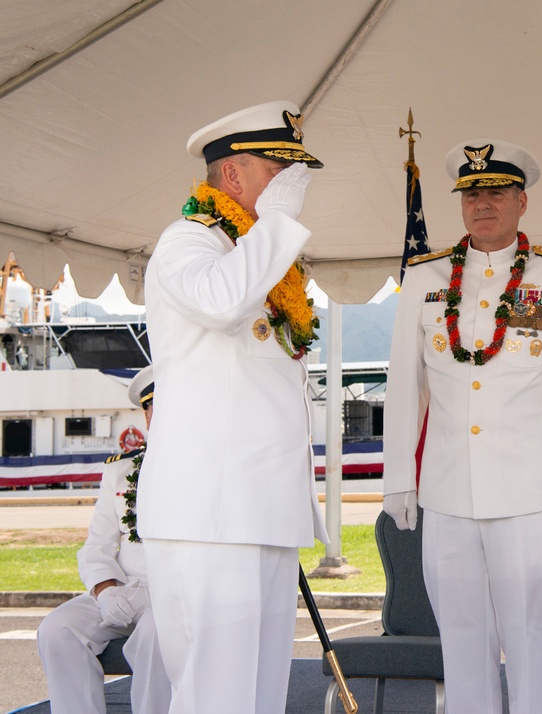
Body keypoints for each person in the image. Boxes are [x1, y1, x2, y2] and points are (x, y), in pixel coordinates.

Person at [382, 139, 542, 713]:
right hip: (447, 489)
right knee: (459, 640)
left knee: (531, 639)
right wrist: (398, 479)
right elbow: (405, 383)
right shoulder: (425, 278)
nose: (484, 203)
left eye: (497, 191)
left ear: (521, 201)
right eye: (472, 193)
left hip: (529, 493)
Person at [138, 100, 328, 713]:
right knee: (215, 698)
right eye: (277, 170)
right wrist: (276, 224)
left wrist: (269, 231)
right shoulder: (186, 241)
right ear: (232, 176)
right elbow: (220, 303)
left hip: (263, 512)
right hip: (209, 518)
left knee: (260, 698)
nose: (289, 188)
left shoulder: (263, 260)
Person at [37, 366, 169, 714]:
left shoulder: (208, 470)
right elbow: (97, 545)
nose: (164, 414)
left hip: (174, 596)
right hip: (121, 591)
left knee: (156, 635)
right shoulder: (120, 470)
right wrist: (106, 590)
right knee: (57, 629)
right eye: (156, 407)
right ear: (146, 414)